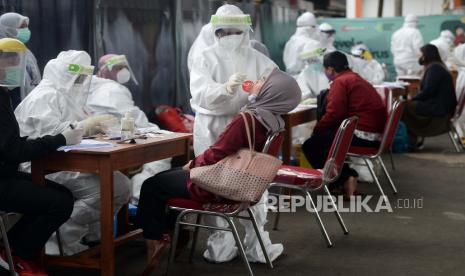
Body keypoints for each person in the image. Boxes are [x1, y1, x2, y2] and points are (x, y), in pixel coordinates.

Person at [136, 68, 301, 274]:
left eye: (262, 80)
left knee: (152, 185)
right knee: (163, 178)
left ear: (272, 91)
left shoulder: (248, 119)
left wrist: (193, 164)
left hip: (220, 187)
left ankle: (158, 239)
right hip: (243, 185)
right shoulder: (275, 122)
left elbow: (217, 152)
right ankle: (174, 232)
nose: (256, 81)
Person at [14, 50, 131, 255]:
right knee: (105, 189)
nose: (81, 81)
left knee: (120, 184)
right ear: (64, 73)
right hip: (44, 164)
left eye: (84, 76)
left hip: (69, 160)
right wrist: (85, 126)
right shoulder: (45, 96)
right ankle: (57, 239)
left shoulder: (67, 96)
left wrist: (98, 127)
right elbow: (48, 137)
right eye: (78, 75)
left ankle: (91, 236)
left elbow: (77, 131)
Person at [189, 4, 280, 263]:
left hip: (247, 127)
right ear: (215, 31)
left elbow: (276, 87)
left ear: (245, 30)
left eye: (235, 30)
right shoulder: (204, 57)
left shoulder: (258, 59)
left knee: (253, 182)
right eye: (224, 31)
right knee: (212, 182)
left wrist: (256, 93)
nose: (230, 35)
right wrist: (224, 89)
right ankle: (221, 244)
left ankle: (256, 245)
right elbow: (200, 94)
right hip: (212, 127)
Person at [0, 38, 79, 276]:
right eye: (9, 61)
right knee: (59, 202)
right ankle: (17, 253)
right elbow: (11, 151)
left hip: (6, 173)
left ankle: (11, 250)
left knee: (63, 195)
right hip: (2, 179)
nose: (16, 68)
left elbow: (8, 144)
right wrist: (61, 139)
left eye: (17, 62)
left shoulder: (3, 95)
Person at [88, 54, 172, 204]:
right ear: (105, 70)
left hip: (105, 139)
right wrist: (158, 131)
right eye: (118, 68)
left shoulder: (95, 86)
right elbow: (136, 119)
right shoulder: (111, 90)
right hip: (115, 140)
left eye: (124, 67)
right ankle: (138, 196)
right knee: (163, 151)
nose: (123, 71)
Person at [302, 51, 387, 198]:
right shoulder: (354, 77)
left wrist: (317, 129)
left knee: (311, 145)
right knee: (323, 142)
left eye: (325, 69)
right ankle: (346, 178)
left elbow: (335, 114)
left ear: (330, 69)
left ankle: (344, 179)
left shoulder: (340, 82)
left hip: (362, 135)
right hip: (372, 132)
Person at [401, 44, 457, 148]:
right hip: (439, 105)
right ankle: (412, 138)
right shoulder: (436, 66)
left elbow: (428, 91)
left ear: (427, 55)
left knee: (402, 107)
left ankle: (410, 141)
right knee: (405, 105)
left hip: (438, 108)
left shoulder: (434, 68)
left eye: (421, 54)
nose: (419, 57)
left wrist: (412, 98)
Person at [0, 12, 41, 108]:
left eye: (26, 27)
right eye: (21, 27)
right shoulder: (2, 51)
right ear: (7, 28)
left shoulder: (27, 52)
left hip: (31, 104)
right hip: (11, 104)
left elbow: (35, 78)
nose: (26, 30)